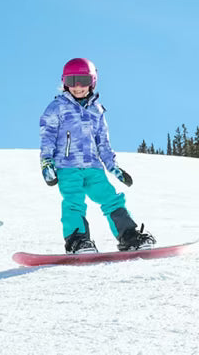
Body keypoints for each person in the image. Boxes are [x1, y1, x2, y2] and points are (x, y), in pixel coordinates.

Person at [39, 57, 155, 254]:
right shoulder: (57, 107)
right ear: (64, 83)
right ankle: (77, 241)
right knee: (74, 202)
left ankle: (128, 236)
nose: (77, 87)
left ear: (92, 82)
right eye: (71, 81)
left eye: (83, 81)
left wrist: (114, 167)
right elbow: (47, 136)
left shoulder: (97, 110)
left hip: (93, 167)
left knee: (111, 199)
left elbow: (103, 142)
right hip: (67, 167)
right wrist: (46, 162)